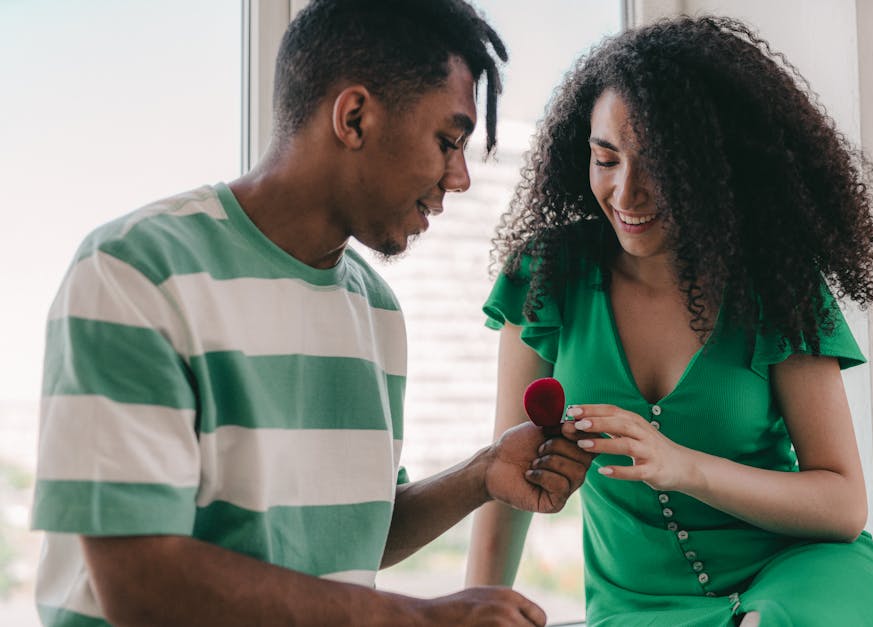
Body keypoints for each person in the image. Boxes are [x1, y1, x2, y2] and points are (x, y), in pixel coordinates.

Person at [30, 1, 594, 625]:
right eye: (447, 141)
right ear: (354, 118)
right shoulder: (136, 272)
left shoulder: (375, 309)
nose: (459, 178)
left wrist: (481, 474)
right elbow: (139, 580)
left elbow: (347, 537)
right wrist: (424, 619)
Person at [466, 15, 873, 627]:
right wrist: (471, 609)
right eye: (606, 159)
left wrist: (685, 466)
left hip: (798, 576)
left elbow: (842, 503)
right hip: (638, 607)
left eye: (661, 165)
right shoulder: (546, 275)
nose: (627, 194)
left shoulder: (776, 284)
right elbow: (508, 473)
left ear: (718, 167)